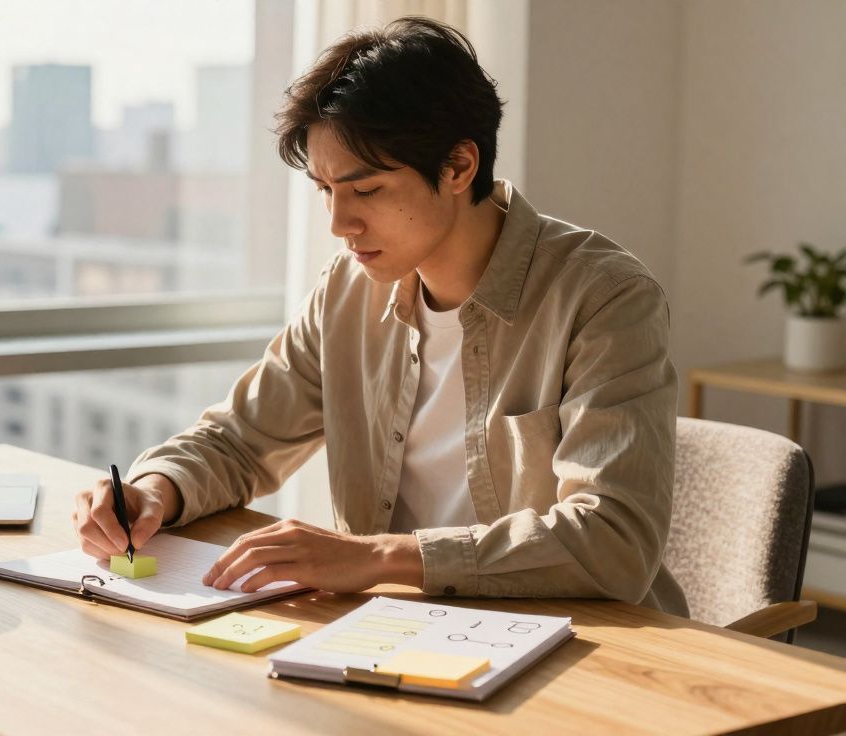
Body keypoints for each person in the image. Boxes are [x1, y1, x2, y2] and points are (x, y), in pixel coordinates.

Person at [71, 16, 687, 616]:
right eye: (325, 191)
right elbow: (241, 439)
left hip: (583, 648)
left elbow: (612, 539)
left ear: (457, 167)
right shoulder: (348, 290)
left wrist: (379, 558)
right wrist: (155, 489)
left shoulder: (603, 297)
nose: (339, 225)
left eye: (364, 191)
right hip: (396, 632)